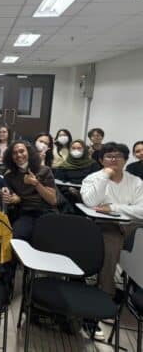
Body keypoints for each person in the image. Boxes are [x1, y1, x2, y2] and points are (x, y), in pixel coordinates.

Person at [80, 142, 143, 340]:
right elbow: (90, 202)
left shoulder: (136, 182)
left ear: (126, 160)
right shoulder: (93, 178)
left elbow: (142, 210)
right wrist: (105, 176)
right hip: (105, 225)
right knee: (112, 240)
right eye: (109, 156)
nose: (114, 159)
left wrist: (113, 207)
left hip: (133, 227)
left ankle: (135, 291)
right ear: (101, 160)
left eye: (118, 156)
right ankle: (105, 296)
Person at [0, 140, 58, 241]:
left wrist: (36, 184)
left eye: (22, 151)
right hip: (26, 214)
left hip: (47, 212)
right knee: (15, 237)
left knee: (47, 241)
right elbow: (12, 197)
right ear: (11, 157)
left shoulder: (44, 170)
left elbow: (52, 200)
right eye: (15, 153)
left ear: (29, 153)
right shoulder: (9, 176)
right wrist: (11, 198)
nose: (19, 155)